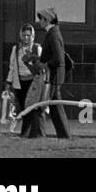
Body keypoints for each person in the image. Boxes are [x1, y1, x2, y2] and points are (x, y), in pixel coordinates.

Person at [36, 7, 72, 138]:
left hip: (54, 76)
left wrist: (45, 65)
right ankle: (63, 135)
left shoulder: (53, 34)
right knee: (54, 106)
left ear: (47, 20)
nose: (39, 21)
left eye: (41, 18)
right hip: (54, 75)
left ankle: (63, 135)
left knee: (53, 105)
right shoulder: (52, 33)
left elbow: (58, 58)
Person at [5, 23, 44, 138]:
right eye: (24, 35)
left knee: (31, 108)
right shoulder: (16, 48)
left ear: (32, 36)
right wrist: (8, 82)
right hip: (20, 82)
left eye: (28, 35)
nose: (26, 38)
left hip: (33, 82)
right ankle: (27, 133)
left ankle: (30, 133)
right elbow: (12, 66)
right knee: (23, 108)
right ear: (21, 35)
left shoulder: (37, 48)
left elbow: (41, 66)